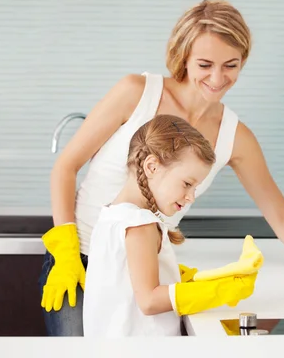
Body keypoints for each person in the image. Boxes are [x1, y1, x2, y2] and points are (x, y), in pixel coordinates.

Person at [38, 0, 284, 337]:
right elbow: (65, 167)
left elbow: (280, 216)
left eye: (230, 65)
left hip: (152, 274)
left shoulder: (235, 137)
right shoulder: (136, 93)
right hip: (81, 260)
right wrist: (66, 251)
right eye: (205, 64)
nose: (217, 78)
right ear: (183, 56)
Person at [81, 114, 258, 337]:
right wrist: (217, 291)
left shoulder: (110, 215)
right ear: (152, 167)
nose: (191, 197)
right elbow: (148, 301)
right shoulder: (140, 224)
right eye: (187, 184)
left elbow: (128, 282)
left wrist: (176, 276)